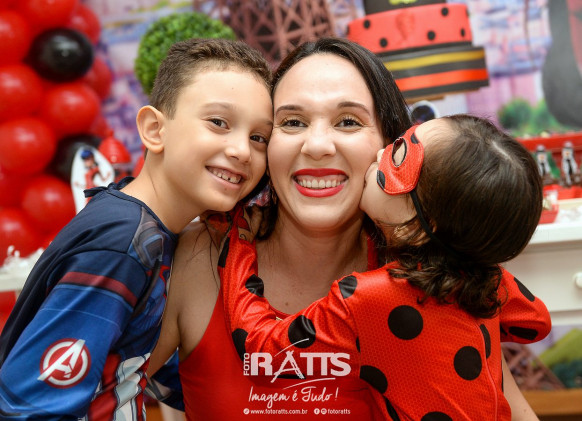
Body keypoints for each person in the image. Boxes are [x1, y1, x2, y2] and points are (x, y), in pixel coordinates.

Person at [147, 37, 542, 420]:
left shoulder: (433, 279)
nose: (318, 145)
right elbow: (109, 389)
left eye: (349, 121)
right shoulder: (197, 256)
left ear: (387, 141)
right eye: (292, 122)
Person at [0, 38, 273, 419]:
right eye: (218, 123)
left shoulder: (150, 229)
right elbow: (32, 407)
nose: (242, 150)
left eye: (259, 137)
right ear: (154, 129)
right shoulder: (123, 243)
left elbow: (137, 363)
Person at [220, 114, 552, 420]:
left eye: (398, 159)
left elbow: (261, 352)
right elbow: (535, 322)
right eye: (398, 141)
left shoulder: (368, 299)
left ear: (416, 227)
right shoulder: (489, 281)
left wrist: (239, 241)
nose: (380, 154)